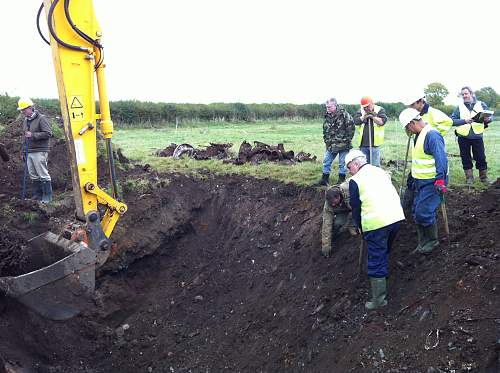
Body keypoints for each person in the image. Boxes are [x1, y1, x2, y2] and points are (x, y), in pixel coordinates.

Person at [345, 149, 405, 310]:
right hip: (396, 217)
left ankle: (379, 300)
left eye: (349, 168)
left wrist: (360, 227)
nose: (349, 172)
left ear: (356, 164)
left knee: (376, 258)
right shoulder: (380, 171)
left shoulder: (355, 181)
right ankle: (383, 276)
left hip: (376, 223)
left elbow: (356, 208)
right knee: (384, 251)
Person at [399, 108, 448, 255]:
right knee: (416, 211)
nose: (408, 131)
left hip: (433, 182)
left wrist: (440, 180)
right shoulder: (418, 135)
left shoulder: (432, 135)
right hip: (420, 182)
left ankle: (433, 241)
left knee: (424, 212)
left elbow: (441, 159)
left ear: (412, 123)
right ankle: (423, 242)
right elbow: (420, 159)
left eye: (408, 128)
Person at [451, 86, 494, 185]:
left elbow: (489, 116)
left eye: (466, 93)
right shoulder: (458, 107)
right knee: (465, 157)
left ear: (471, 93)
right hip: (463, 136)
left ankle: (484, 178)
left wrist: (489, 119)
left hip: (477, 136)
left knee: (481, 157)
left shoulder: (481, 104)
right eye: (463, 94)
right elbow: (452, 121)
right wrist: (464, 121)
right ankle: (469, 178)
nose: (464, 96)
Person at [17, 97, 53, 203]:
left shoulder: (42, 118)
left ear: (30, 108)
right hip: (29, 151)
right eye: (22, 110)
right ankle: (38, 195)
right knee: (33, 174)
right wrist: (23, 151)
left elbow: (48, 133)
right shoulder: (25, 120)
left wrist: (33, 135)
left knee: (42, 173)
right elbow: (25, 137)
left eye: (24, 109)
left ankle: (47, 197)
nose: (23, 112)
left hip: (40, 150)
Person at [316, 98, 355, 186]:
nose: (327, 109)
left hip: (343, 145)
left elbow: (351, 128)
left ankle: (341, 181)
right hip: (331, 145)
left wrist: (346, 141)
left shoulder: (345, 115)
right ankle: (324, 180)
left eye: (329, 107)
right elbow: (325, 130)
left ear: (335, 105)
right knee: (326, 161)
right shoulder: (327, 116)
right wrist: (326, 141)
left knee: (342, 163)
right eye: (326, 107)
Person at [321, 181, 358, 257]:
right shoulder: (328, 205)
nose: (333, 205)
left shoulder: (349, 190)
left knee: (354, 227)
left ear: (338, 196)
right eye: (331, 203)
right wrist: (326, 246)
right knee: (338, 223)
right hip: (343, 212)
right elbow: (326, 225)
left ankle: (353, 226)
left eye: (334, 203)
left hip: (355, 208)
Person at [353, 96, 387, 167]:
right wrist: (363, 117)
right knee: (364, 165)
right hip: (363, 145)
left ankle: (375, 178)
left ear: (372, 103)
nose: (366, 108)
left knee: (375, 166)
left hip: (374, 144)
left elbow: (382, 122)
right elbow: (356, 121)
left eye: (367, 106)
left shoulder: (380, 110)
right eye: (364, 107)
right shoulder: (361, 111)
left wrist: (373, 117)